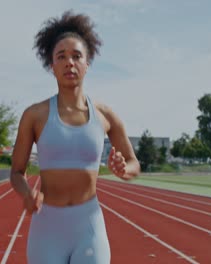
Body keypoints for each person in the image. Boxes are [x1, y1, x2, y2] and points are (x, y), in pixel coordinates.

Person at [10, 10, 140, 264]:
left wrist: (125, 170)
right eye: (62, 56)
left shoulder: (105, 116)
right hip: (46, 228)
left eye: (76, 56)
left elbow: (134, 163)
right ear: (52, 65)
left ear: (87, 63)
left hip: (88, 225)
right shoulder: (34, 115)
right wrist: (27, 193)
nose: (69, 62)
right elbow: (16, 171)